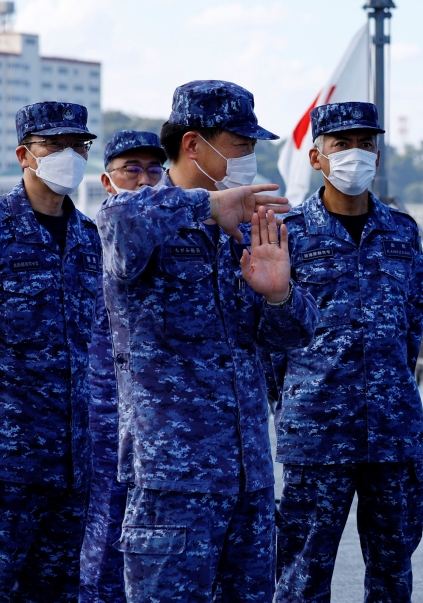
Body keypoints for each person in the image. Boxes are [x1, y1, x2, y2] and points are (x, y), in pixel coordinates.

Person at [97, 80, 318, 602]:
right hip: (173, 483)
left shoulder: (249, 226)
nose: (248, 158)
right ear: (195, 144)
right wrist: (206, 205)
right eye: (240, 145)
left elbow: (296, 336)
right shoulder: (140, 214)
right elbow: (120, 229)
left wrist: (279, 294)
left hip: (249, 481)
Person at [273, 102, 423, 602]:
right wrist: (296, 400)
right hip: (317, 435)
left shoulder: (402, 232)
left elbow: (412, 327)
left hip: (392, 433)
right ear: (317, 157)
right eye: (342, 145)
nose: (355, 155)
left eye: (365, 144)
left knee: (392, 569)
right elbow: (272, 339)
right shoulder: (288, 232)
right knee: (301, 572)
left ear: (378, 157)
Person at [0, 102, 101, 601]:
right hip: (8, 463)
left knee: (58, 591)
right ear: (25, 154)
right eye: (54, 145)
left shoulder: (89, 240)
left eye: (78, 146)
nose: (69, 155)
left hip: (72, 463)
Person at [80, 131, 167, 603]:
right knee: (103, 533)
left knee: (150, 542)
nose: (144, 180)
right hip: (101, 414)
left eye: (154, 170)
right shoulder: (93, 239)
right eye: (131, 169)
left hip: (156, 423)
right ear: (107, 181)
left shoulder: (176, 238)